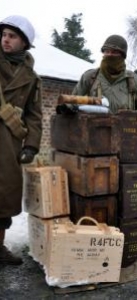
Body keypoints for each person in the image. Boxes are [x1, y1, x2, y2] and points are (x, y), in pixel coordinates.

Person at [0, 15, 42, 265]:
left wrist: (31, 146)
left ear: (24, 42)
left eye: (12, 36)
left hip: (9, 146)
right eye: (3, 34)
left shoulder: (32, 78)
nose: (5, 39)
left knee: (3, 202)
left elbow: (34, 116)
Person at [72, 34, 137, 113]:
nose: (109, 55)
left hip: (125, 125)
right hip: (94, 124)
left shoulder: (133, 80)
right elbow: (72, 103)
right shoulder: (90, 77)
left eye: (114, 52)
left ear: (122, 56)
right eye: (107, 51)